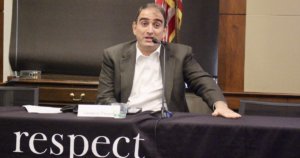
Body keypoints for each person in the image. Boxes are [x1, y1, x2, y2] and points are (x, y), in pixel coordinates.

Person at [96, 3, 241, 119]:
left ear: (164, 31)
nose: (150, 30)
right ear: (135, 28)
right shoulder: (113, 55)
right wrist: (122, 114)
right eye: (144, 23)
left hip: (167, 124)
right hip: (128, 122)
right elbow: (104, 97)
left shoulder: (180, 54)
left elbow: (202, 81)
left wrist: (220, 105)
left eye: (157, 25)